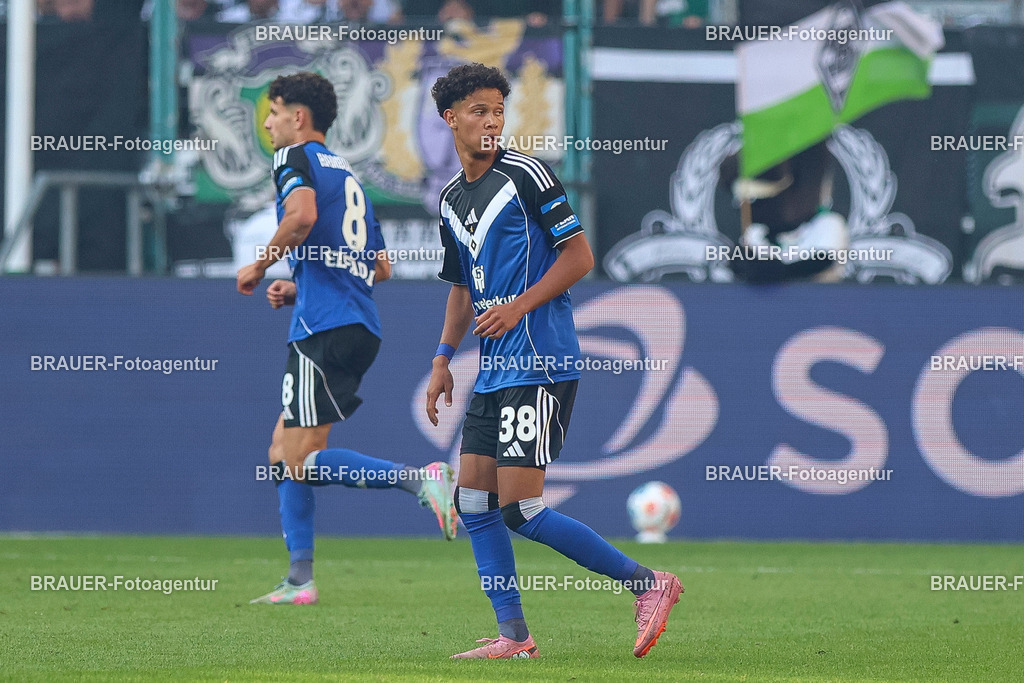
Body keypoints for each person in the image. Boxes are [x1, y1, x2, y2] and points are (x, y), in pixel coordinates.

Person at [425, 62, 683, 659]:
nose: (491, 121)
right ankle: (514, 636)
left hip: (540, 358)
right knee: (473, 501)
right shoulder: (450, 199)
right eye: (478, 111)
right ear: (450, 120)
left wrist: (517, 306)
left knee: (521, 508)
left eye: (498, 110)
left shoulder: (527, 174)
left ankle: (649, 584)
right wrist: (442, 358)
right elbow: (461, 287)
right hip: (493, 366)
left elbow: (579, 256)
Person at [237, 72, 457, 605]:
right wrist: (302, 282)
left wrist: (261, 265)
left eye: (274, 111)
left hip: (324, 328)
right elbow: (378, 266)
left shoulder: (294, 159)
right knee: (281, 451)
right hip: (353, 321)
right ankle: (298, 579)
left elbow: (301, 216)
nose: (267, 122)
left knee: (300, 457)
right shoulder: (349, 175)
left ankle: (420, 479)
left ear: (299, 116)